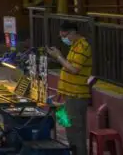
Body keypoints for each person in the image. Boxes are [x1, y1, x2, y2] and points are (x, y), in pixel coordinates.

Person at [48, 22, 92, 155]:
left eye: (65, 35)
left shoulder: (83, 47)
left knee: (76, 133)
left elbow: (74, 69)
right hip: (67, 95)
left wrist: (59, 57)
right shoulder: (74, 46)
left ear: (73, 32)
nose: (63, 39)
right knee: (68, 129)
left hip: (76, 96)